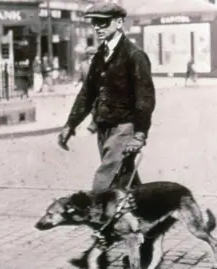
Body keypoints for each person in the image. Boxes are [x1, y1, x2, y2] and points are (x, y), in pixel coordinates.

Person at [57, 2, 156, 264]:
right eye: (95, 22)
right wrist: (70, 124)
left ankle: (96, 252)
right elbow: (87, 93)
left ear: (119, 22)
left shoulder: (134, 55)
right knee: (125, 184)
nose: (98, 27)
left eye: (104, 21)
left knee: (102, 187)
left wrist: (140, 134)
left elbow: (145, 98)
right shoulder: (101, 54)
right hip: (104, 128)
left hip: (124, 128)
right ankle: (148, 234)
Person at [74, 46, 98, 133]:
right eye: (90, 54)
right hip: (87, 88)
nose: (92, 56)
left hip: (98, 88)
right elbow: (80, 74)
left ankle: (93, 123)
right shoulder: (83, 64)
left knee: (96, 105)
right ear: (87, 55)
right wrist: (76, 81)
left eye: (93, 54)